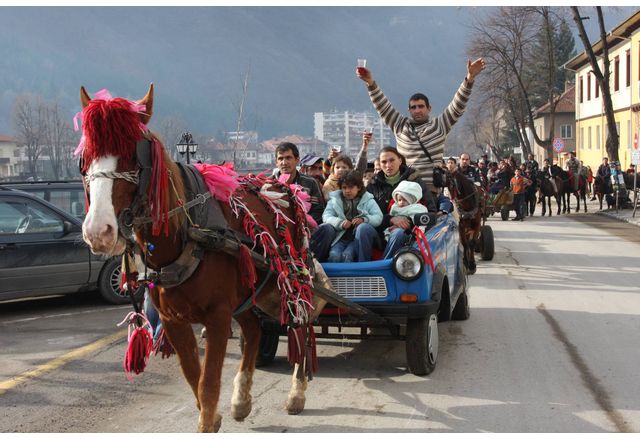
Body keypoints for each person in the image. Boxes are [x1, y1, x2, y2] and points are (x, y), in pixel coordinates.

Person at [356, 58, 485, 192]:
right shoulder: (400, 125)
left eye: (421, 106)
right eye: (413, 107)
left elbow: (457, 105)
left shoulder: (440, 125)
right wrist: (370, 83)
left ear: (429, 108)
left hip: (431, 189)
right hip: (405, 190)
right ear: (409, 110)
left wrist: (470, 78)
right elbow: (382, 105)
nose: (417, 110)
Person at [366, 147, 438, 259]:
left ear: (400, 160)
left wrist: (408, 221)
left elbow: (431, 211)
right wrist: (390, 219)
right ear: (379, 164)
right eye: (384, 162)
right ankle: (361, 270)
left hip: (408, 234)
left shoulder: (414, 180)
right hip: (380, 230)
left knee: (398, 233)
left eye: (392, 160)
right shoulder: (373, 184)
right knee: (362, 230)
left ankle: (383, 266)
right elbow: (366, 213)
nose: (388, 165)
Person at [322, 170, 383, 263]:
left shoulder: (367, 199)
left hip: (358, 239)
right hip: (340, 238)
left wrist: (364, 219)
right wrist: (340, 223)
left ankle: (358, 273)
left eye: (350, 187)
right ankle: (336, 277)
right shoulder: (335, 200)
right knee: (334, 256)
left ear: (358, 187)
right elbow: (326, 216)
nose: (347, 191)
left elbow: (378, 217)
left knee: (347, 255)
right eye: (344, 187)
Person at [273, 142, 324, 226]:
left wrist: (302, 225)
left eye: (288, 158)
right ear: (276, 162)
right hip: (279, 229)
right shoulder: (268, 184)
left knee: (327, 229)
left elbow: (318, 210)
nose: (284, 163)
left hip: (306, 228)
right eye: (280, 159)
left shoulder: (310, 183)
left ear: (297, 160)